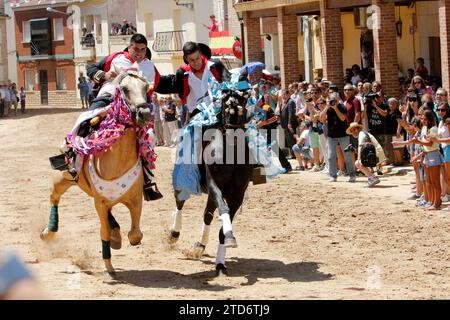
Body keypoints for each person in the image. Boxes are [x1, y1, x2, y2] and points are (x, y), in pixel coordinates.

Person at [58, 33, 163, 200]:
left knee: (149, 138)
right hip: (109, 98)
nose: (139, 53)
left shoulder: (150, 67)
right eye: (136, 49)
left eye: (143, 50)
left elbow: (153, 87)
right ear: (129, 47)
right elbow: (91, 68)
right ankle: (71, 160)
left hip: (136, 106)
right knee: (85, 119)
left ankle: (148, 180)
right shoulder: (116, 58)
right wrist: (105, 76)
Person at [320, 92, 356, 182]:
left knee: (347, 155)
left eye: (335, 100)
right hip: (332, 135)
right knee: (331, 156)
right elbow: (321, 119)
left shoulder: (342, 107)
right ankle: (333, 176)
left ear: (338, 100)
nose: (333, 102)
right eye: (332, 100)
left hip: (343, 135)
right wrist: (327, 107)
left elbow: (343, 118)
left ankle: (352, 174)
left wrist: (336, 108)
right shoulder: (328, 108)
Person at [347, 122, 385, 187]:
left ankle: (372, 178)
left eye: (354, 129)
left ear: (358, 129)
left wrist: (358, 159)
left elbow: (360, 146)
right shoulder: (364, 133)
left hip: (377, 155)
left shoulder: (361, 134)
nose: (353, 131)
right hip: (377, 154)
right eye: (351, 130)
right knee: (360, 163)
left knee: (357, 163)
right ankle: (372, 177)